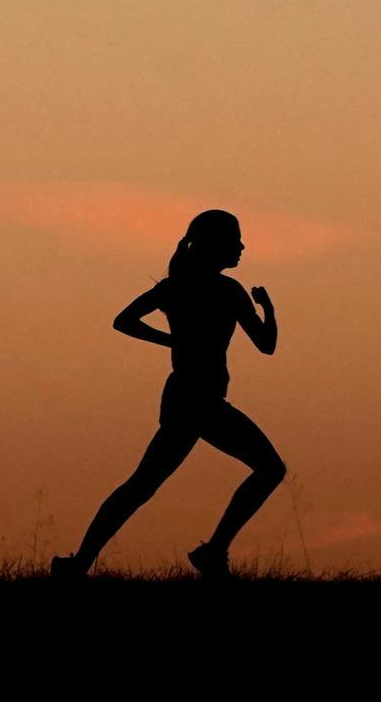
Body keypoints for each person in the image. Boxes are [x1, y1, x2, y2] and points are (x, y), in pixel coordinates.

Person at [53, 208, 285, 578]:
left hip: (187, 398)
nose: (242, 246)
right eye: (234, 239)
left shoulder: (180, 286)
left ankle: (79, 563)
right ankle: (212, 551)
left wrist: (174, 340)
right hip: (199, 402)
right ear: (215, 244)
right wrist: (267, 311)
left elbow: (124, 321)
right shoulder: (224, 291)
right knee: (270, 468)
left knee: (143, 484)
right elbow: (267, 344)